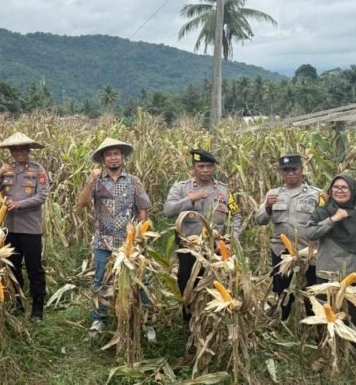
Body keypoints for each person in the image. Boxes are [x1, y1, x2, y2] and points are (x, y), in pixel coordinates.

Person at [76, 138, 152, 336]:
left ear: (122, 157)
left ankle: (146, 319)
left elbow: (143, 208)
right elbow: (81, 204)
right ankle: (99, 319)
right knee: (100, 280)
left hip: (129, 243)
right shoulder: (97, 181)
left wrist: (140, 236)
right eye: (108, 154)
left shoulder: (133, 182)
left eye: (116, 154)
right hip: (103, 241)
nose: (113, 158)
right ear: (102, 159)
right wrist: (90, 180)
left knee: (141, 280)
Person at [164, 149, 242, 322]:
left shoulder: (224, 191)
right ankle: (189, 320)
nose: (205, 170)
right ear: (193, 168)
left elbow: (236, 216)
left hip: (215, 249)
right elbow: (168, 210)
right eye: (201, 166)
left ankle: (212, 321)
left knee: (216, 285)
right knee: (187, 284)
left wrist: (232, 240)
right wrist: (191, 199)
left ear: (214, 168)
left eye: (209, 166)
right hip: (189, 249)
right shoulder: (181, 188)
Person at [0, 132, 49, 321]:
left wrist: (19, 204)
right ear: (11, 151)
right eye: (15, 149)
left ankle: (38, 308)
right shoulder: (6, 170)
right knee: (12, 267)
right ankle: (19, 302)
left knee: (34, 268)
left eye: (22, 148)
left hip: (30, 228)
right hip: (9, 228)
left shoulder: (38, 170)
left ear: (28, 150)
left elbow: (42, 196)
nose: (19, 152)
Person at [254, 154, 320, 320]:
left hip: (309, 252)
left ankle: (313, 322)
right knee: (281, 288)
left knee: (311, 289)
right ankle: (282, 321)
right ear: (281, 173)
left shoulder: (316, 194)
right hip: (281, 251)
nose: (290, 173)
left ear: (301, 170)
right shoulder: (273, 194)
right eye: (286, 170)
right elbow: (260, 220)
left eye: (294, 169)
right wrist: (268, 206)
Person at [306, 174, 356, 327]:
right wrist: (332, 220)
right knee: (327, 319)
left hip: (355, 276)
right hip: (328, 276)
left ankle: (354, 350)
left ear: (352, 191)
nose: (339, 190)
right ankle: (328, 349)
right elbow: (310, 234)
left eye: (344, 187)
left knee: (355, 320)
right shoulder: (322, 212)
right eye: (335, 187)